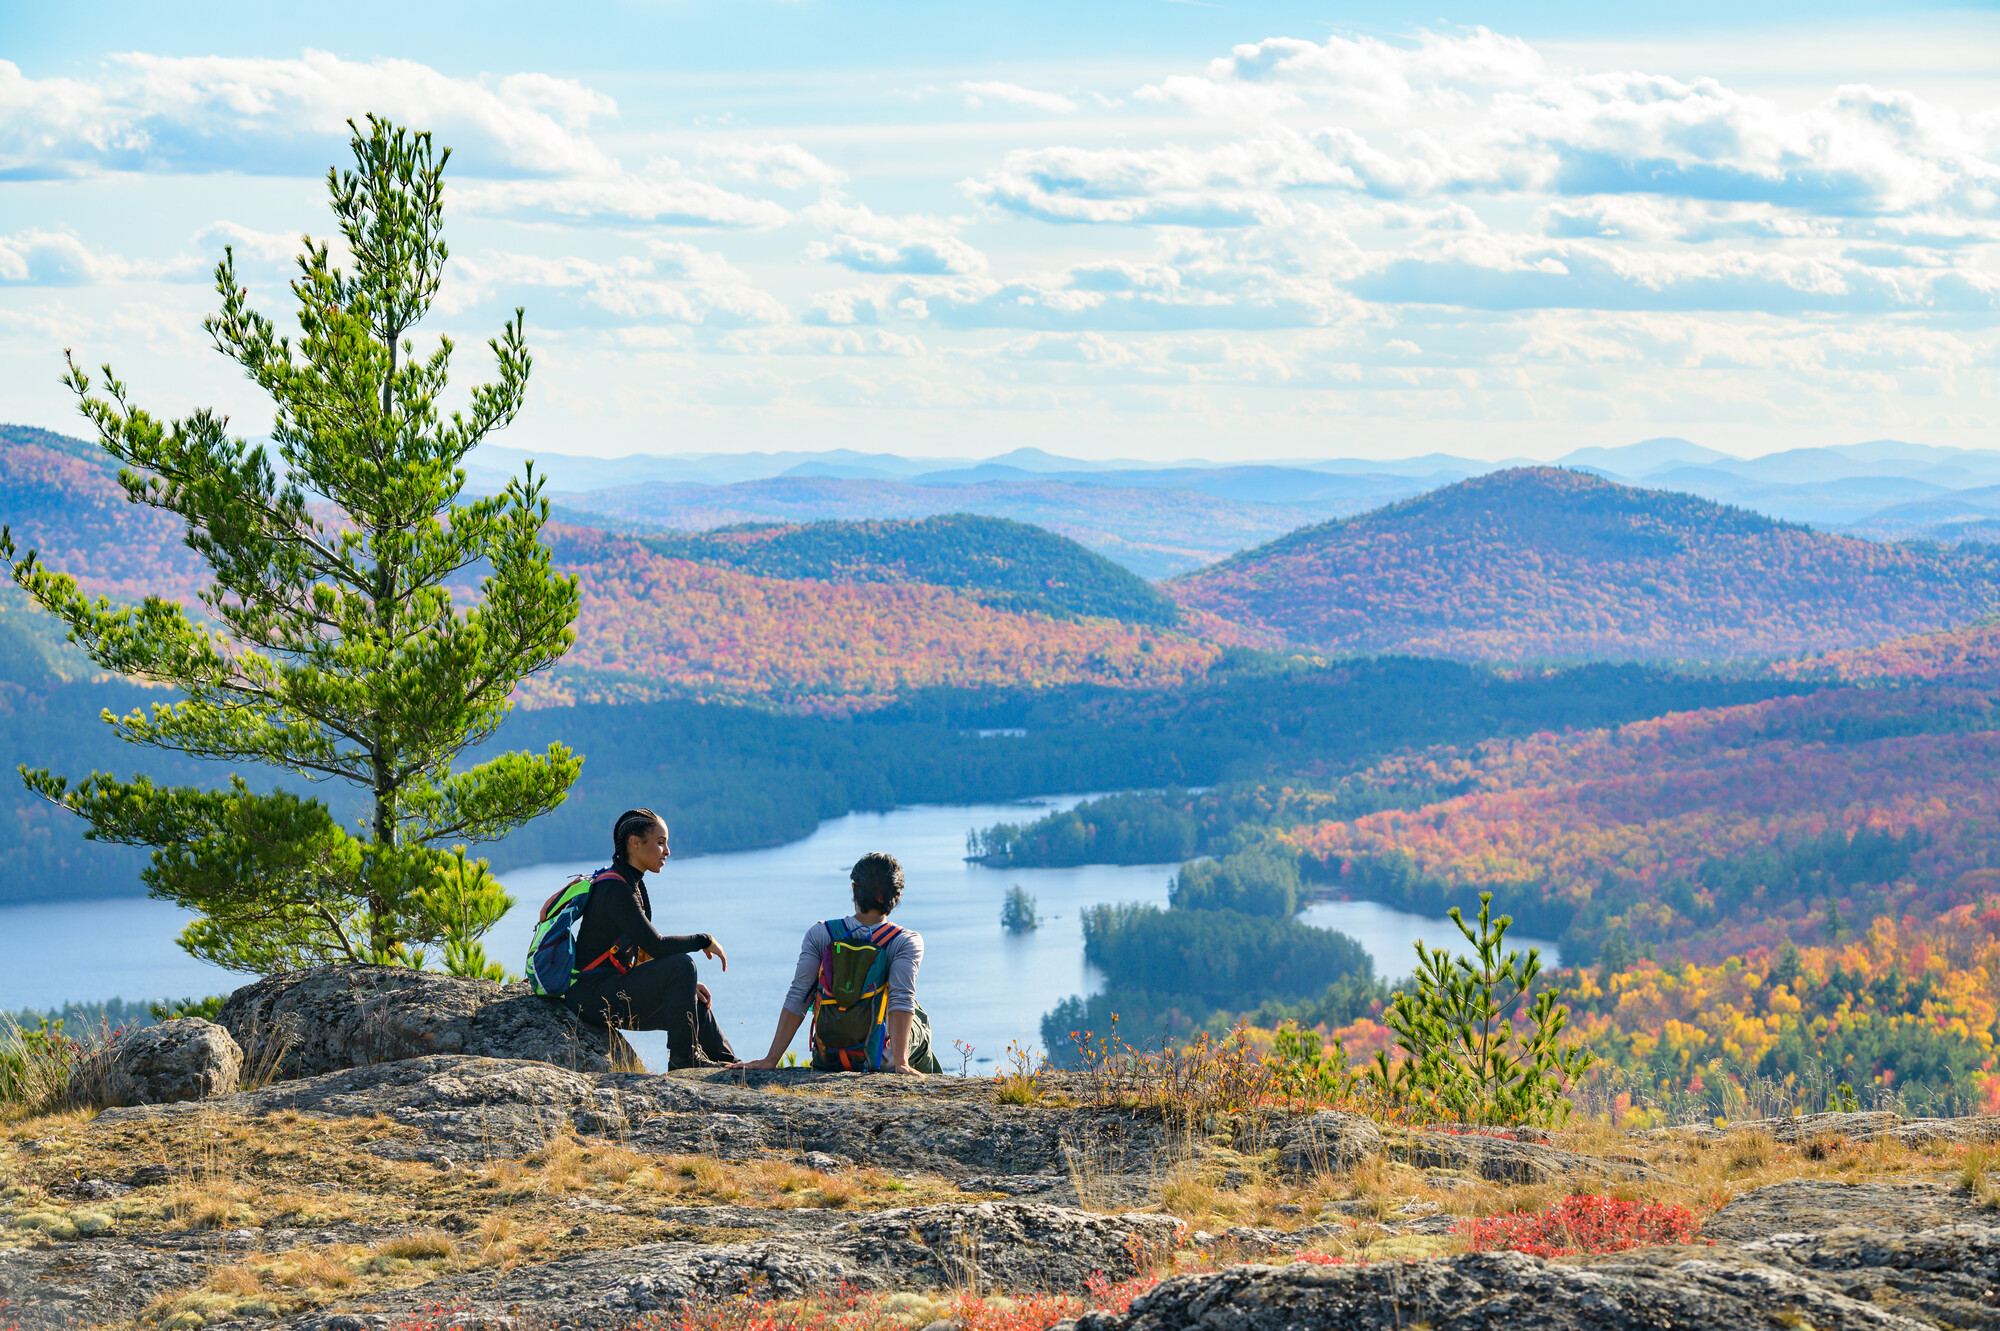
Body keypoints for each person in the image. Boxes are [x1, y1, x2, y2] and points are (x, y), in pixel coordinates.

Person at [731, 850, 942, 1075]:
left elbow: (800, 994)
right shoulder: (905, 941)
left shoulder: (821, 934)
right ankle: (933, 1087)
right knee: (919, 1017)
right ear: (897, 896)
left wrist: (771, 1059)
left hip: (829, 1055)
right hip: (880, 1059)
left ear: (854, 889)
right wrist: (900, 1063)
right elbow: (901, 997)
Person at [563, 807, 736, 1070]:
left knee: (695, 1003)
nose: (667, 851)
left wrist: (684, 987)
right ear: (634, 842)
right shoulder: (615, 889)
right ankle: (684, 1062)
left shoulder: (629, 884)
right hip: (591, 997)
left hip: (608, 991)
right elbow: (657, 944)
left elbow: (642, 949)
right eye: (660, 842)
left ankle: (736, 1070)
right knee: (682, 965)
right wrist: (704, 939)